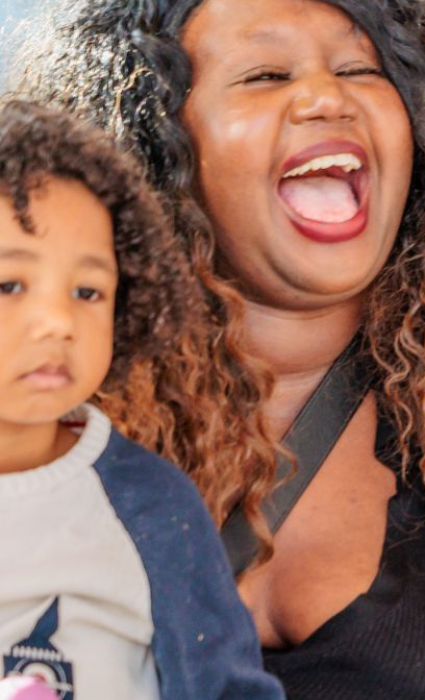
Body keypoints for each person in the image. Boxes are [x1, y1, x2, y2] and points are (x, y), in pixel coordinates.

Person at [16, 0, 425, 696]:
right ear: (151, 143)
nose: (324, 95)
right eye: (264, 74)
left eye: (359, 68)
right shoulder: (41, 427)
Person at [0, 99, 281, 700]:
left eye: (87, 290)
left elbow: (229, 690)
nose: (57, 321)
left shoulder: (148, 506)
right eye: (9, 284)